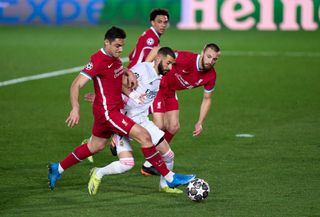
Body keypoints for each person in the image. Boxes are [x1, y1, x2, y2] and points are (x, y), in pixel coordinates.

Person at [47, 26, 195, 191]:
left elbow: (115, 80)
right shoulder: (97, 60)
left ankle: (57, 168)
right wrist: (75, 108)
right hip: (109, 113)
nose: (121, 49)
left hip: (111, 111)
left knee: (95, 146)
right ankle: (170, 178)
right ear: (107, 43)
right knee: (144, 137)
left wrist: (127, 74)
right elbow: (76, 84)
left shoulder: (115, 60)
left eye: (122, 45)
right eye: (117, 45)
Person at [86, 47, 185, 195]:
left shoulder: (159, 76)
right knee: (127, 164)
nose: (170, 68)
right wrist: (102, 98)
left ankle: (165, 185)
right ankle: (98, 172)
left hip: (142, 121)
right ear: (158, 59)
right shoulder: (143, 70)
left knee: (169, 155)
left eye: (172, 64)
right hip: (123, 120)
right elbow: (118, 81)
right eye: (168, 63)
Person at [141, 43, 221, 176]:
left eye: (214, 59)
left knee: (173, 127)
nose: (210, 61)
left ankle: (149, 164)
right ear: (202, 52)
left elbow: (207, 98)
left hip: (171, 91)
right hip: (159, 87)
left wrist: (200, 122)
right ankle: (123, 136)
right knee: (159, 125)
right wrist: (144, 71)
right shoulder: (186, 58)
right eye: (208, 56)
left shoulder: (211, 75)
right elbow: (158, 51)